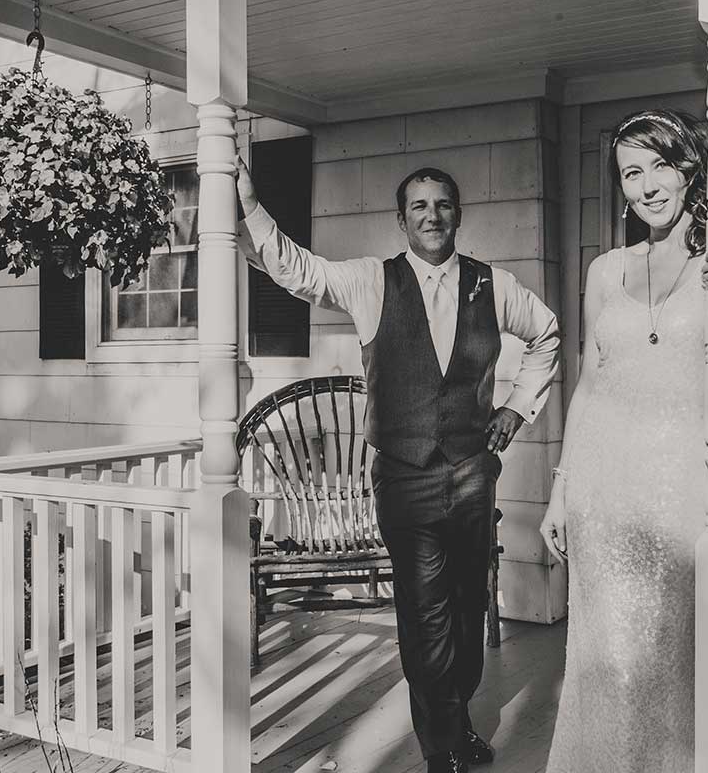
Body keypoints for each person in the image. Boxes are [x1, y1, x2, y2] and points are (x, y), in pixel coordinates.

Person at [237, 161, 561, 773]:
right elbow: (294, 269)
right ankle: (442, 747)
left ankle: (455, 718)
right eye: (419, 206)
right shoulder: (369, 281)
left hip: (471, 473)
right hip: (404, 478)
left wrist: (517, 409)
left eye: (442, 204)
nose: (432, 215)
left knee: (466, 609)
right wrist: (250, 199)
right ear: (402, 219)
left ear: (457, 213)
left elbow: (547, 333)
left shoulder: (493, 285)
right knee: (424, 611)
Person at [539, 109, 708, 772]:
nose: (647, 186)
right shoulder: (605, 272)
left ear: (688, 169)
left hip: (683, 485)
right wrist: (559, 490)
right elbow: (588, 385)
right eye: (630, 172)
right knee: (610, 653)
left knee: (675, 650)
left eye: (659, 166)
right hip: (602, 487)